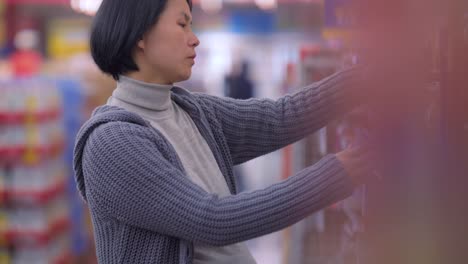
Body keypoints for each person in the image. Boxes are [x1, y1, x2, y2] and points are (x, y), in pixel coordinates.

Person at [73, 0, 374, 263]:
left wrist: (368, 78)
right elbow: (212, 219)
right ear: (140, 34)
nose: (195, 40)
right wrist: (337, 173)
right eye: (182, 25)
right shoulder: (111, 143)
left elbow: (281, 117)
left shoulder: (193, 112)